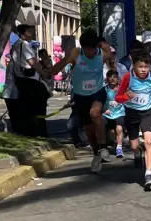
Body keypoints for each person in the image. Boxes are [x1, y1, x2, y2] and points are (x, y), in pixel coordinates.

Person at [48, 29, 114, 172]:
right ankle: (96, 153)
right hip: (80, 95)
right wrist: (52, 69)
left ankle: (103, 147)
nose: (90, 52)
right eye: (87, 49)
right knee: (89, 131)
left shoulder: (102, 54)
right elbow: (57, 68)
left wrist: (107, 50)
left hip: (98, 91)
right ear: (83, 47)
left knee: (95, 113)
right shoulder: (76, 54)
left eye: (93, 49)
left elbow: (112, 65)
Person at [115, 50, 151, 190]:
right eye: (140, 66)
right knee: (134, 146)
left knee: (149, 141)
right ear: (134, 66)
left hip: (146, 113)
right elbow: (118, 98)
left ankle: (148, 174)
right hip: (131, 114)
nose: (143, 70)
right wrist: (126, 97)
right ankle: (137, 153)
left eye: (146, 66)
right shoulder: (127, 78)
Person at [103, 70, 126, 158]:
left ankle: (119, 148)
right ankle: (104, 147)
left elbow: (127, 99)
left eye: (115, 77)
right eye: (110, 77)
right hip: (107, 114)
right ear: (107, 78)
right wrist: (104, 110)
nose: (113, 79)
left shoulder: (122, 88)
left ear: (118, 78)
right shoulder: (104, 89)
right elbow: (100, 102)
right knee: (109, 131)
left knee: (119, 129)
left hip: (120, 113)